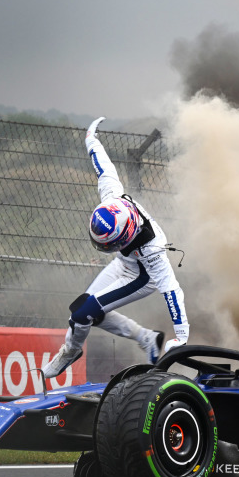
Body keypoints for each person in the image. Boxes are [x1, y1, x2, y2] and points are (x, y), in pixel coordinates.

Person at [41, 117, 189, 379]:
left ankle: (71, 350)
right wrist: (91, 138)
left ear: (125, 235)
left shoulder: (153, 250)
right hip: (124, 263)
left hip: (141, 277)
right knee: (84, 311)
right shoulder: (113, 198)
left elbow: (172, 291)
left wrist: (182, 336)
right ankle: (146, 338)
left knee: (83, 314)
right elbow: (103, 167)